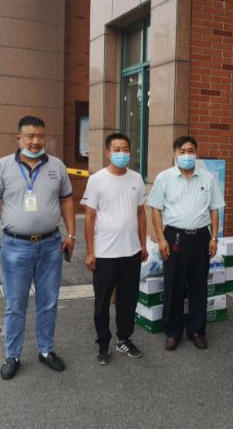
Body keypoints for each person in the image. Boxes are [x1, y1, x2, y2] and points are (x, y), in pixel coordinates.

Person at [0, 116, 76, 380]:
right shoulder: (2, 167)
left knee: (49, 302)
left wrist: (71, 234)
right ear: (19, 138)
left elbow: (67, 201)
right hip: (15, 246)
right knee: (15, 304)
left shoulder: (57, 166)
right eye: (30, 136)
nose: (35, 141)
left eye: (40, 136)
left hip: (50, 245)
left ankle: (46, 351)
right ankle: (12, 355)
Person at [147, 136, 225, 351]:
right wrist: (161, 239)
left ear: (196, 153)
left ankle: (197, 330)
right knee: (174, 285)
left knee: (199, 285)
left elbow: (214, 209)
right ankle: (173, 332)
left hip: (201, 237)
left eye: (191, 151)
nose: (187, 155)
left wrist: (214, 238)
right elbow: (156, 209)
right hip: (174, 237)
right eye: (182, 151)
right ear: (175, 154)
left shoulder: (207, 178)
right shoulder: (164, 178)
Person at [81, 133, 148, 365]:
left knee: (128, 300)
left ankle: (124, 338)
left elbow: (141, 213)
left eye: (126, 149)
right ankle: (103, 343)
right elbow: (89, 217)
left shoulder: (136, 178)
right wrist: (90, 252)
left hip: (131, 252)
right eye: (117, 149)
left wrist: (143, 243)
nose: (122, 153)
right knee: (102, 302)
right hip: (105, 253)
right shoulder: (97, 180)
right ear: (108, 152)